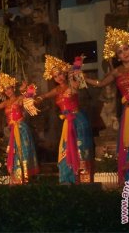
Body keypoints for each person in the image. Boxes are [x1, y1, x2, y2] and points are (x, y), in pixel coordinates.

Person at [84, 27, 129, 184]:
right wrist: (84, 77)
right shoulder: (117, 72)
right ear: (117, 56)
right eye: (120, 51)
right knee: (128, 144)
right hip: (128, 111)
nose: (124, 53)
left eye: (126, 49)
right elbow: (100, 83)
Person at [36, 55, 94, 184]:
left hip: (78, 120)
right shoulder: (57, 89)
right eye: (55, 76)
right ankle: (68, 178)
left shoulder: (73, 83)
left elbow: (81, 84)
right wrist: (33, 98)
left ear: (65, 72)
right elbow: (43, 96)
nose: (59, 78)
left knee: (81, 147)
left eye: (60, 74)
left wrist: (77, 70)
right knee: (65, 149)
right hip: (67, 122)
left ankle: (83, 179)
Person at [0, 72, 40, 184]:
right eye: (5, 90)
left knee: (24, 151)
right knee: (14, 152)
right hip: (12, 130)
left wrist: (24, 90)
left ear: (13, 88)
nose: (8, 91)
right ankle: (17, 177)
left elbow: (29, 98)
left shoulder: (20, 98)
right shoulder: (5, 103)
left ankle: (26, 176)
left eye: (9, 88)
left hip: (21, 128)